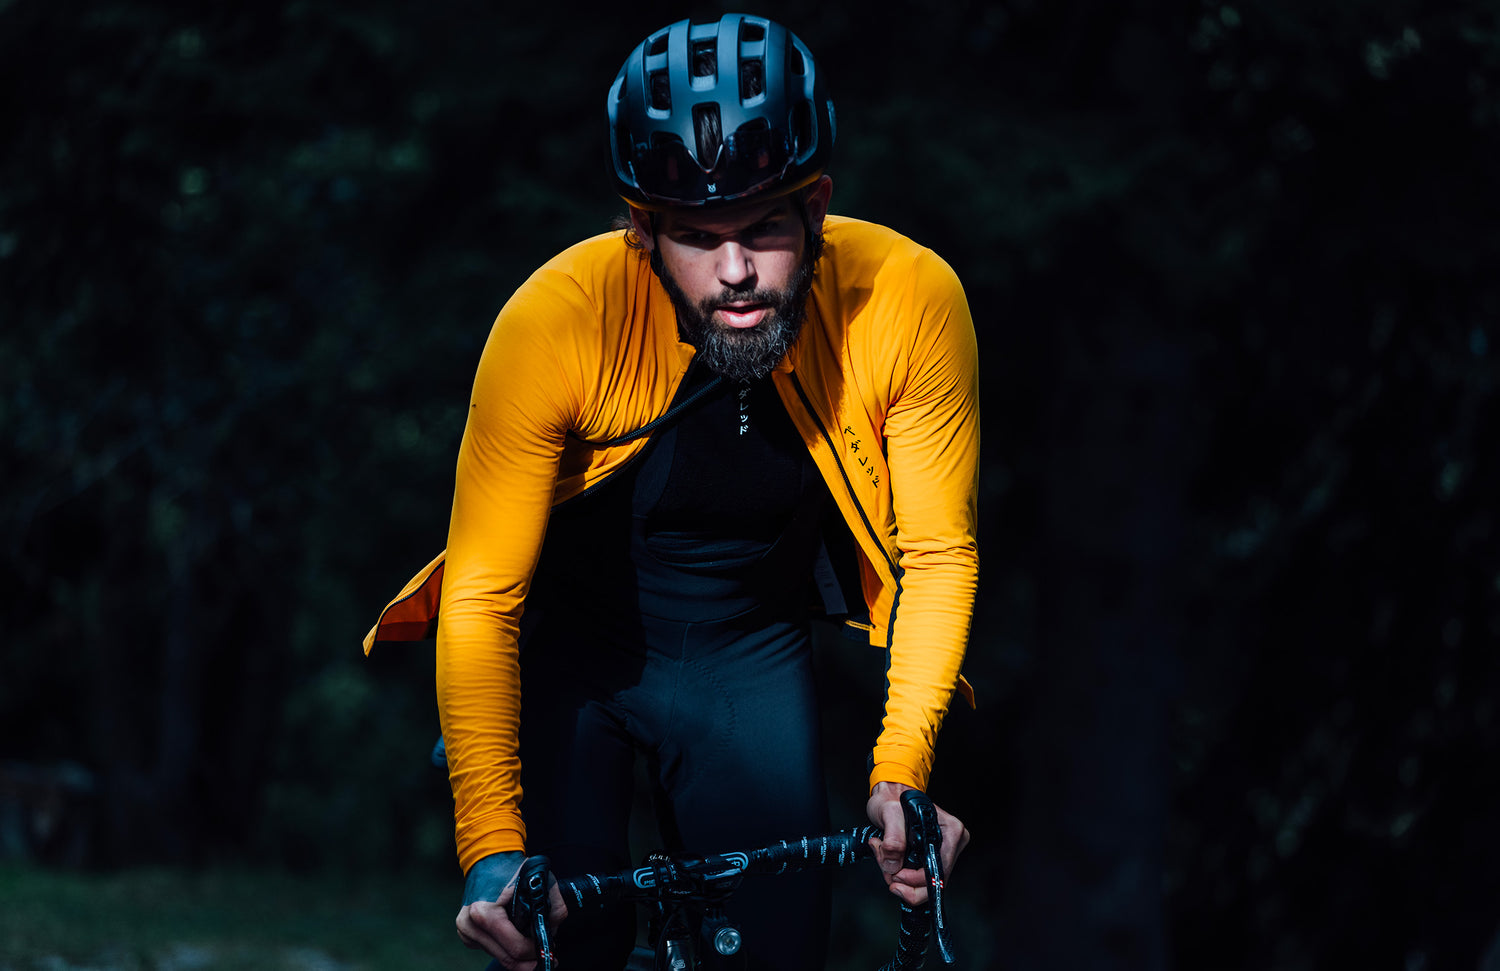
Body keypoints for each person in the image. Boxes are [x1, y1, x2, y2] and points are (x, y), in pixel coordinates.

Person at [364, 13, 978, 969]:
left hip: (749, 652)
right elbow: (482, 597)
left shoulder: (907, 300)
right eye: (696, 236)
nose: (735, 273)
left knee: (778, 951)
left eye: (764, 226)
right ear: (641, 231)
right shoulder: (557, 321)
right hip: (574, 655)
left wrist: (901, 771)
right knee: (563, 941)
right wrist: (490, 849)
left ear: (817, 206)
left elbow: (938, 555)